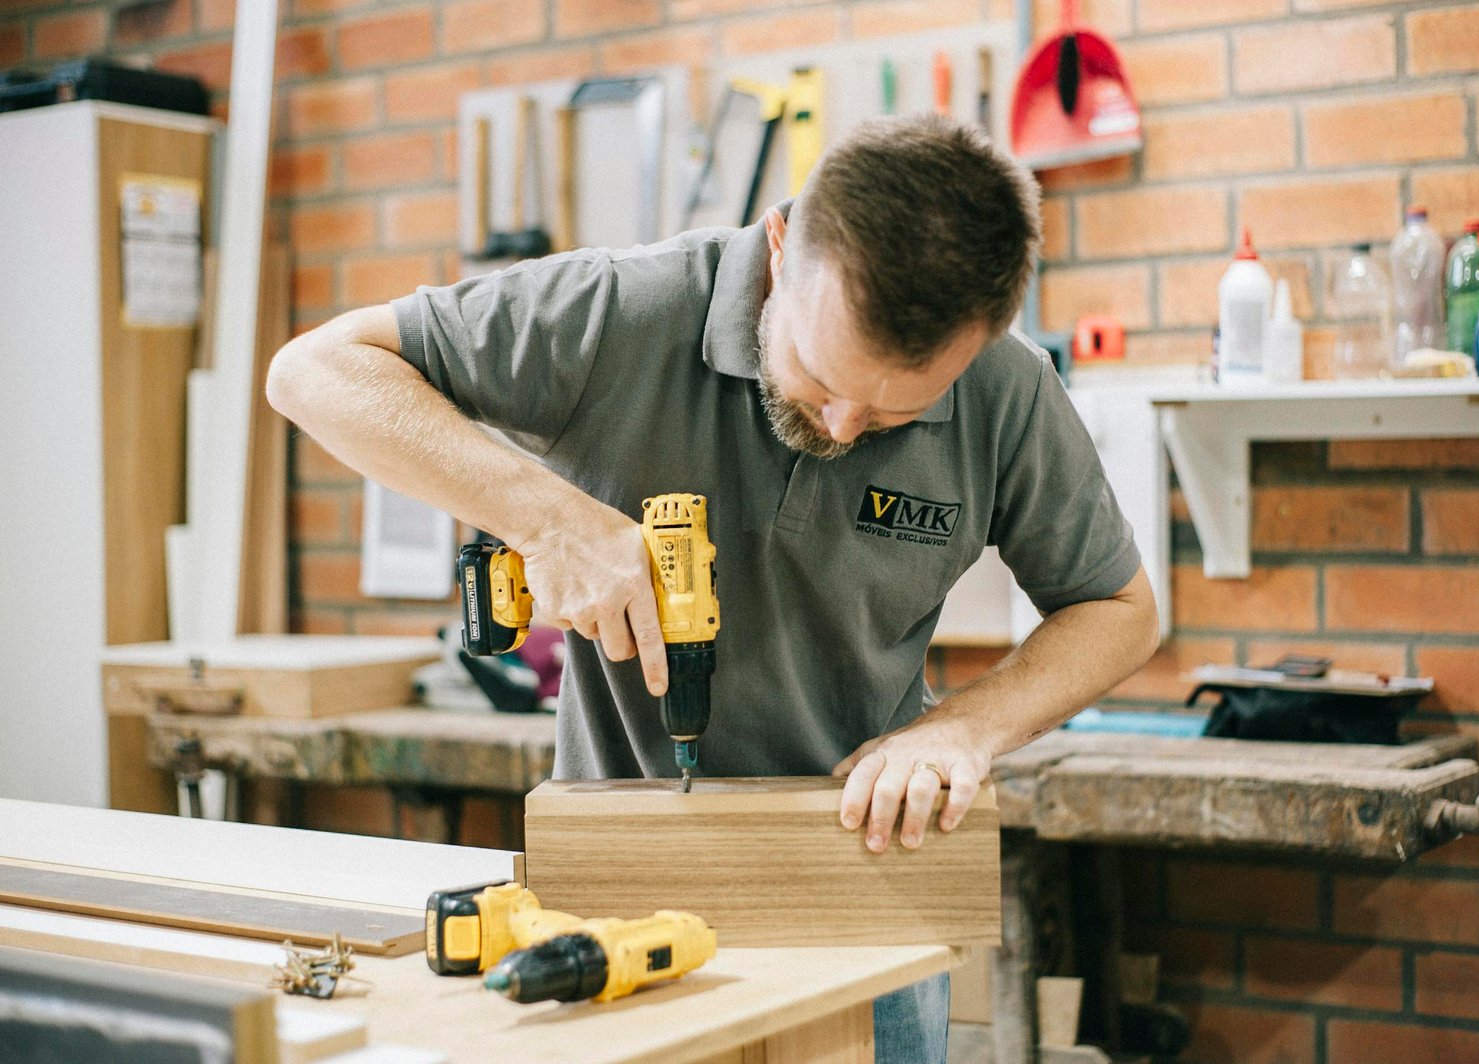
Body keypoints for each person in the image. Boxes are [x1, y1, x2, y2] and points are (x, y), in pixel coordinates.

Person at [267, 114, 1160, 1062]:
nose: (848, 424)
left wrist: (962, 729)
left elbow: (1120, 609)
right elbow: (315, 369)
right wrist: (549, 517)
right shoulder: (624, 311)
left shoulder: (1008, 390)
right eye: (818, 376)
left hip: (866, 885)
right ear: (780, 247)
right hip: (621, 882)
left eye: (899, 409)